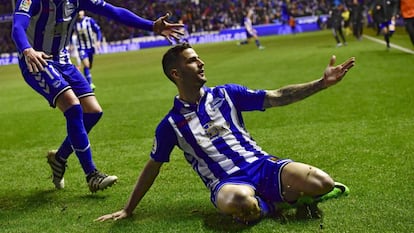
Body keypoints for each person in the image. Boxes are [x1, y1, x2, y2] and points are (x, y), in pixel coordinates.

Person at [95, 43, 355, 223]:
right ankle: (277, 201)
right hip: (228, 184)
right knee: (243, 201)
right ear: (176, 73)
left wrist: (321, 84)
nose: (201, 62)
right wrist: (128, 209)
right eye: (192, 60)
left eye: (198, 58)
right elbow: (153, 166)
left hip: (263, 165)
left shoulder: (227, 94)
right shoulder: (171, 124)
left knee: (324, 183)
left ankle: (275, 199)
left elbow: (277, 97)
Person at [11, 0, 184, 193]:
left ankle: (59, 158)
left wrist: (151, 25)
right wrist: (27, 50)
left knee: (93, 112)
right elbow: (17, 26)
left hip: (62, 59)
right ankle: (91, 175)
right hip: (37, 62)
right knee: (73, 107)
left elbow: (113, 12)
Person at [74, 10, 103, 90]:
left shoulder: (89, 20)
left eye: (81, 11)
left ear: (83, 12)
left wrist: (98, 41)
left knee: (89, 66)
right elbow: (69, 34)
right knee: (86, 65)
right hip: (81, 47)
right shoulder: (74, 23)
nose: (79, 13)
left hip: (91, 47)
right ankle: (89, 84)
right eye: (78, 11)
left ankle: (87, 81)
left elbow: (98, 31)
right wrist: (70, 44)